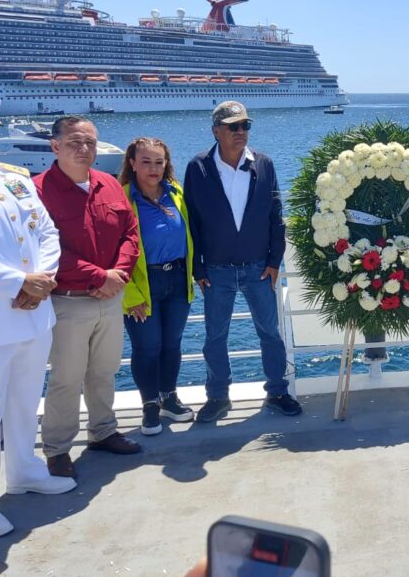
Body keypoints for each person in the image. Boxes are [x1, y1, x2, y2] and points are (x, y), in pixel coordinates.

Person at [0, 94, 76, 537]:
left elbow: (46, 230)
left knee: (25, 400)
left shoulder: (13, 179)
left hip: (33, 313)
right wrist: (16, 282)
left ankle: (24, 472)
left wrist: (42, 278)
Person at [35, 116, 142, 479]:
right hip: (68, 300)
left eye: (91, 143)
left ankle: (103, 431)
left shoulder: (109, 184)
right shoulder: (38, 190)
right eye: (75, 143)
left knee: (104, 371)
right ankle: (57, 448)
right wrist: (101, 276)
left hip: (110, 299)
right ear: (55, 146)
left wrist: (119, 274)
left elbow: (130, 232)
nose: (85, 150)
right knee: (66, 377)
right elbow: (46, 250)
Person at [184, 101, 302, 422]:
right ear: (216, 131)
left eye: (245, 126)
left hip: (258, 267)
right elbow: (191, 221)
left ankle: (278, 391)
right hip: (217, 271)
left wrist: (275, 261)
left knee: (270, 333)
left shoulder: (263, 164)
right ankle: (218, 397)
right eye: (233, 127)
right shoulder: (199, 167)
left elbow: (276, 217)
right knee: (215, 337)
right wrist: (197, 267)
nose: (241, 132)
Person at [119, 137, 196, 435]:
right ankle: (150, 404)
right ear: (132, 163)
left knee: (171, 344)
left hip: (177, 278)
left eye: (159, 162)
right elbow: (114, 250)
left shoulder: (175, 193)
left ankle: (169, 398)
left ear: (167, 164)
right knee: (147, 347)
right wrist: (130, 295)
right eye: (147, 161)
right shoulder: (122, 199)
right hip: (143, 283)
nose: (154, 168)